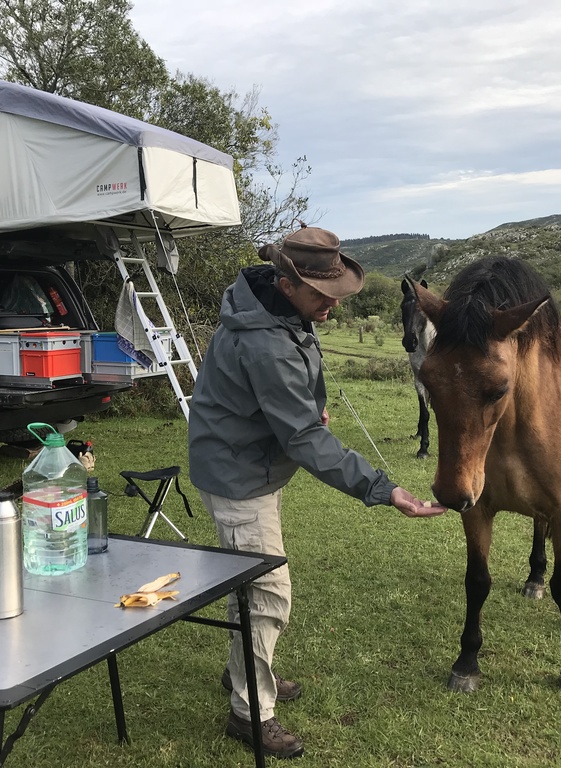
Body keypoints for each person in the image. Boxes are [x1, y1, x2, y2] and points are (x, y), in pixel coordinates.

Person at [188, 224, 447, 760]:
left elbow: (291, 403)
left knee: (251, 588)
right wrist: (386, 489)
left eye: (336, 293)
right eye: (322, 296)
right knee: (266, 593)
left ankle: (245, 671)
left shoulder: (276, 311)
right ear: (287, 283)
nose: (332, 306)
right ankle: (249, 712)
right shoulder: (263, 340)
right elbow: (306, 439)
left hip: (253, 461)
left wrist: (302, 407)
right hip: (239, 476)